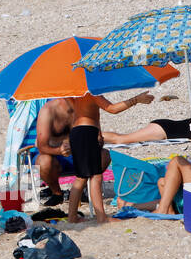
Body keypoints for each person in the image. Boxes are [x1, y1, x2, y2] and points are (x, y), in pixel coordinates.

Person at [63, 91, 154, 222]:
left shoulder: (77, 93)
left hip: (79, 132)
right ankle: (100, 217)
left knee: (82, 177)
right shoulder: (92, 93)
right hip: (86, 133)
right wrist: (136, 99)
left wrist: (98, 130)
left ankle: (72, 217)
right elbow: (112, 109)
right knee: (95, 176)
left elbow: (86, 113)